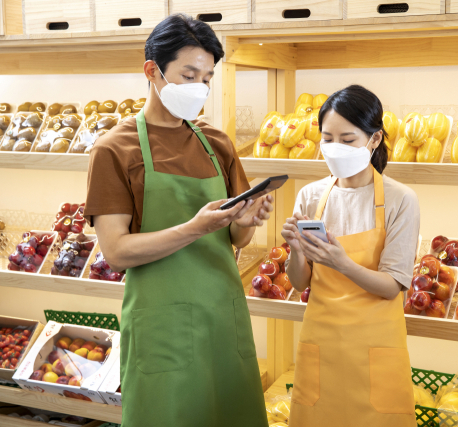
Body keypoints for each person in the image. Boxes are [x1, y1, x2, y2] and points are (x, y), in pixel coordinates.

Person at [84, 14, 271, 427]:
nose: (199, 88)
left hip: (223, 318)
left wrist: (249, 217)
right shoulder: (115, 149)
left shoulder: (216, 142)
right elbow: (116, 252)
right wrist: (194, 228)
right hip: (162, 324)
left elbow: (236, 238)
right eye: (188, 75)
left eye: (206, 78)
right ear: (152, 70)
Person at [282, 85, 420, 427]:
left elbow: (391, 286)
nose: (335, 148)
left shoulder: (400, 199)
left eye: (348, 139)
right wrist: (297, 249)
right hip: (322, 344)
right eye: (327, 138)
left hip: (374, 347)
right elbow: (300, 283)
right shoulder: (311, 195)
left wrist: (340, 262)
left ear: (373, 140)